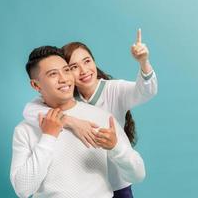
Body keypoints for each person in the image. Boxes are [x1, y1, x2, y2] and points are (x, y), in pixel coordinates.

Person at [23, 29, 157, 197]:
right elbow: (30, 110)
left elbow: (146, 91)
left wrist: (143, 62)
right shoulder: (66, 97)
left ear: (94, 62)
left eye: (87, 61)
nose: (83, 70)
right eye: (73, 67)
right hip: (83, 181)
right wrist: (71, 121)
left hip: (117, 178)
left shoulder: (114, 89)